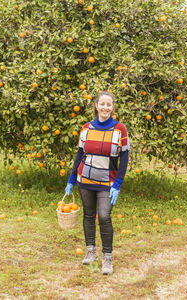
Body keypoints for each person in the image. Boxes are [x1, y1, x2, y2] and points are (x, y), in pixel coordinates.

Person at [65, 91, 130, 275]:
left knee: (103, 216)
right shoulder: (86, 128)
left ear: (112, 107)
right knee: (88, 215)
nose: (105, 108)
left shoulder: (120, 129)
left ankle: (107, 258)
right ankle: (91, 253)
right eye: (102, 104)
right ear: (96, 105)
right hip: (84, 180)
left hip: (107, 182)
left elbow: (124, 159)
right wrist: (71, 180)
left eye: (109, 104)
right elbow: (79, 154)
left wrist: (118, 184)